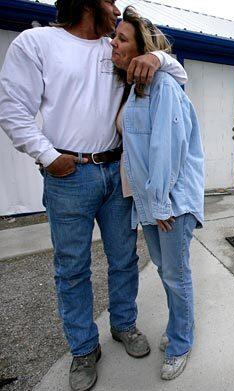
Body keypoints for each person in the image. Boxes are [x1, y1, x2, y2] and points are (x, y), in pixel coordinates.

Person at [0, 0, 188, 389]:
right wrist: (49, 157)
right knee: (72, 269)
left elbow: (177, 73)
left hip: (118, 172)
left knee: (123, 258)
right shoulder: (37, 43)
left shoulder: (113, 47)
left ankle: (123, 325)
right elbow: (12, 110)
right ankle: (84, 348)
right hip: (69, 176)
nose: (116, 9)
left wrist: (155, 57)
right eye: (109, 1)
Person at [110, 6, 204, 380]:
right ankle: (180, 328)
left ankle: (181, 340)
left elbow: (167, 147)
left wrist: (162, 203)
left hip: (169, 201)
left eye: (121, 38)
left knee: (175, 274)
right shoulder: (134, 89)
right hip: (147, 200)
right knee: (166, 271)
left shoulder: (162, 84)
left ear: (141, 48)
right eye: (114, 36)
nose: (113, 43)